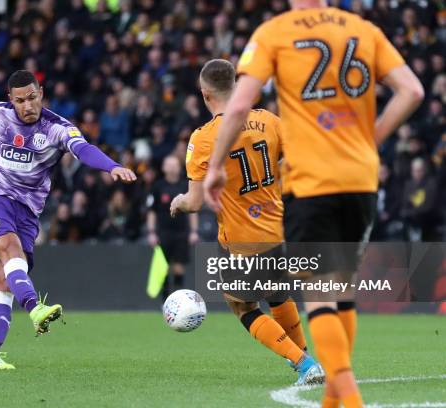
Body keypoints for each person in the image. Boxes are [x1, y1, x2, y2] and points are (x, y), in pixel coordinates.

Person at [203, 2, 424, 406]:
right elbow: (412, 90)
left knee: (319, 294)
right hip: (360, 178)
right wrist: (371, 140)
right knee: (341, 290)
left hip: (311, 182)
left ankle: (347, 399)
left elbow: (238, 106)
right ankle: (333, 399)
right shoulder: (363, 29)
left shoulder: (275, 32)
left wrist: (216, 166)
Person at [0, 70, 136, 370]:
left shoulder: (57, 128)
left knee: (3, 277)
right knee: (9, 248)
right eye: (20, 100)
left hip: (27, 213)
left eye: (32, 97)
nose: (27, 106)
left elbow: (82, 149)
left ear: (42, 93)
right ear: (11, 99)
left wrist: (111, 166)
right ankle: (35, 308)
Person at [170, 59, 322, 386]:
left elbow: (195, 203)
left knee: (243, 306)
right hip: (278, 230)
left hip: (242, 238)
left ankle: (304, 364)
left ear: (204, 93)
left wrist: (178, 202)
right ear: (236, 86)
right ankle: (308, 358)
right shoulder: (268, 121)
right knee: (279, 296)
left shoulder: (204, 137)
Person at [147, 155, 198, 299]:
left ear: (179, 167)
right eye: (169, 164)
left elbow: (193, 211)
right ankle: (165, 300)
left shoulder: (185, 186)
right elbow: (152, 211)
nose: (172, 167)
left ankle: (178, 299)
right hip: (163, 233)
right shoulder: (158, 187)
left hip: (182, 232)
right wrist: (151, 232)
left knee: (179, 266)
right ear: (163, 167)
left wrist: (194, 231)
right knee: (164, 267)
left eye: (175, 164)